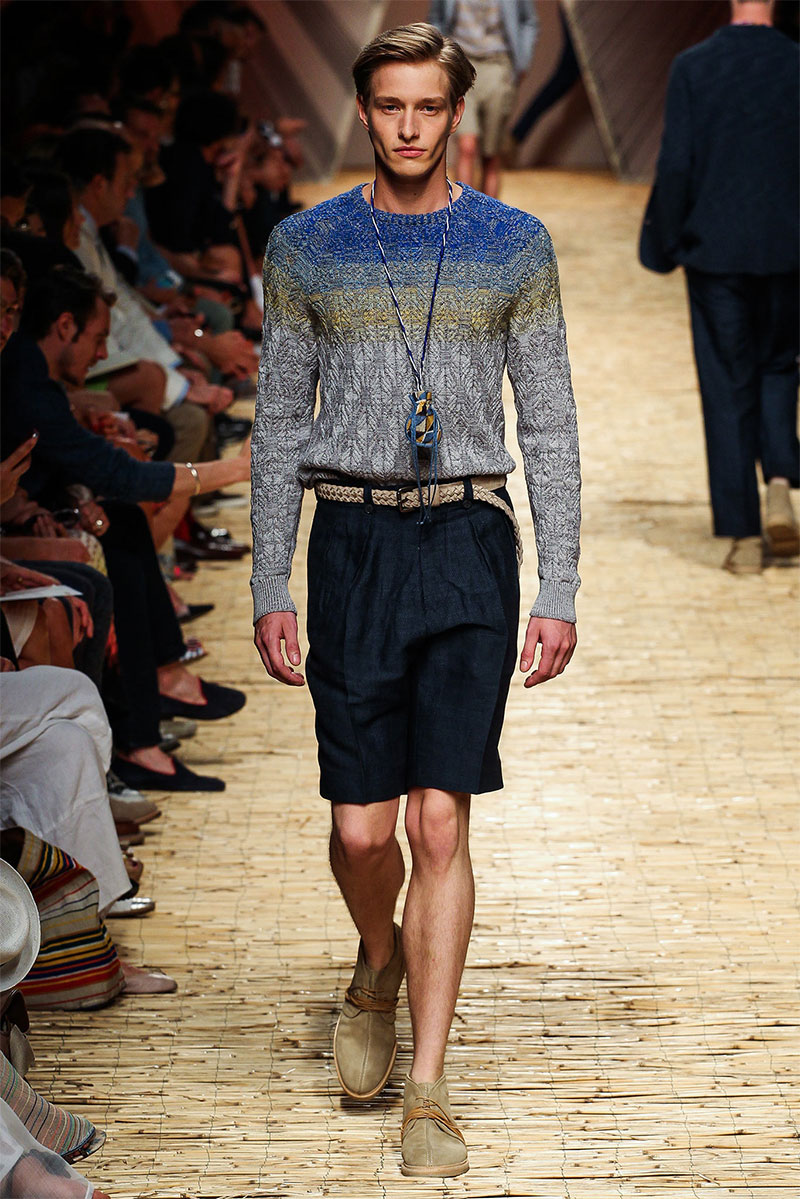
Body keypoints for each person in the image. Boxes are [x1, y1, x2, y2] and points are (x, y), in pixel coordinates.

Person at [251, 21, 580, 1179]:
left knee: (439, 820)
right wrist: (269, 576)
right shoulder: (305, 244)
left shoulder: (511, 243)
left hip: (467, 539)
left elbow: (548, 419)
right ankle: (377, 956)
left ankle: (428, 1089)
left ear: (454, 114)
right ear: (363, 109)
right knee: (361, 828)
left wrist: (558, 582)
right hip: (349, 541)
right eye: (388, 105)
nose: (406, 126)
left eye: (426, 107)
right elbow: (277, 419)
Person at [640, 0, 799, 574]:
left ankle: (744, 536)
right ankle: (779, 479)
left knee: (726, 383)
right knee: (779, 366)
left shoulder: (694, 66)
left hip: (717, 250)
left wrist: (666, 241)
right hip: (788, 250)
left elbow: (677, 163)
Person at [428, 0, 538, 197]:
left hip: (498, 65)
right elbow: (436, 18)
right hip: (460, 64)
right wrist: (439, 59)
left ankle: (488, 215)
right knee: (466, 146)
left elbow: (529, 21)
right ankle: (464, 213)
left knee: (491, 154)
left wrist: (522, 62)